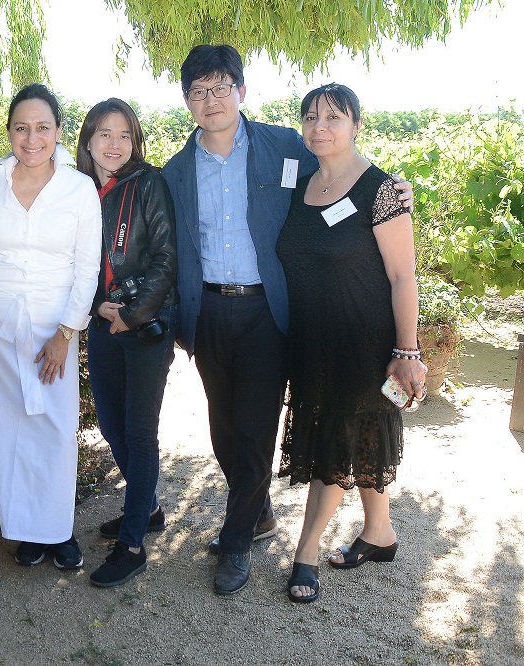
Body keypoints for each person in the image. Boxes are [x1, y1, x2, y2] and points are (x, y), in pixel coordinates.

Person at [161, 44, 412, 596]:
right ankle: (261, 513)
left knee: (255, 428)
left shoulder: (281, 144)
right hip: (209, 311)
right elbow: (175, 247)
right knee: (224, 428)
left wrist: (391, 189)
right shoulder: (177, 171)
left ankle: (234, 543)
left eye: (221, 87)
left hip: (268, 312)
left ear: (242, 92)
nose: (211, 99)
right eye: (198, 91)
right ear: (186, 101)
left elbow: (341, 159)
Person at [276, 83, 427, 603]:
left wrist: (406, 352)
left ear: (356, 125)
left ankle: (306, 553)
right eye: (311, 117)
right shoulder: (297, 183)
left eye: (334, 117)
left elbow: (404, 275)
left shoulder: (382, 189)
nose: (321, 127)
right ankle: (379, 534)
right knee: (360, 437)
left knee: (335, 446)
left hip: (363, 346)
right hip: (311, 342)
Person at [0, 83, 101, 569]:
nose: (31, 138)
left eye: (42, 128)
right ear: (8, 132)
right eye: (21, 128)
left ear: (58, 132)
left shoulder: (78, 188)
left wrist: (66, 334)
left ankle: (58, 530)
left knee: (57, 427)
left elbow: (86, 268)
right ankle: (25, 530)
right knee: (8, 428)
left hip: (55, 329)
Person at [74, 98, 178, 587]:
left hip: (145, 327)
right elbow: (72, 259)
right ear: (88, 140)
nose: (114, 144)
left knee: (140, 433)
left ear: (135, 142)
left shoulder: (149, 183)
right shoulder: (75, 191)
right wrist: (99, 306)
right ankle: (149, 506)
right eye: (104, 134)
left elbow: (164, 257)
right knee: (112, 426)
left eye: (124, 135)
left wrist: (132, 315)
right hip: (100, 322)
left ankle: (133, 542)